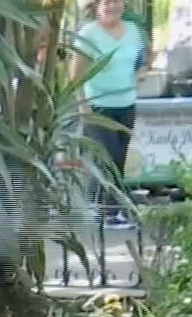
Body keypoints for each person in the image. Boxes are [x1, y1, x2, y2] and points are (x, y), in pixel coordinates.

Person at [72, 0, 146, 229]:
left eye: (116, 1)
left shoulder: (133, 31)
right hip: (97, 106)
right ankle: (107, 211)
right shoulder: (88, 34)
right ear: (96, 5)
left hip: (126, 105)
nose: (111, 6)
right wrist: (83, 107)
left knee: (119, 158)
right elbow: (75, 75)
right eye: (106, 2)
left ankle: (107, 208)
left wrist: (139, 74)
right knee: (107, 157)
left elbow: (141, 61)